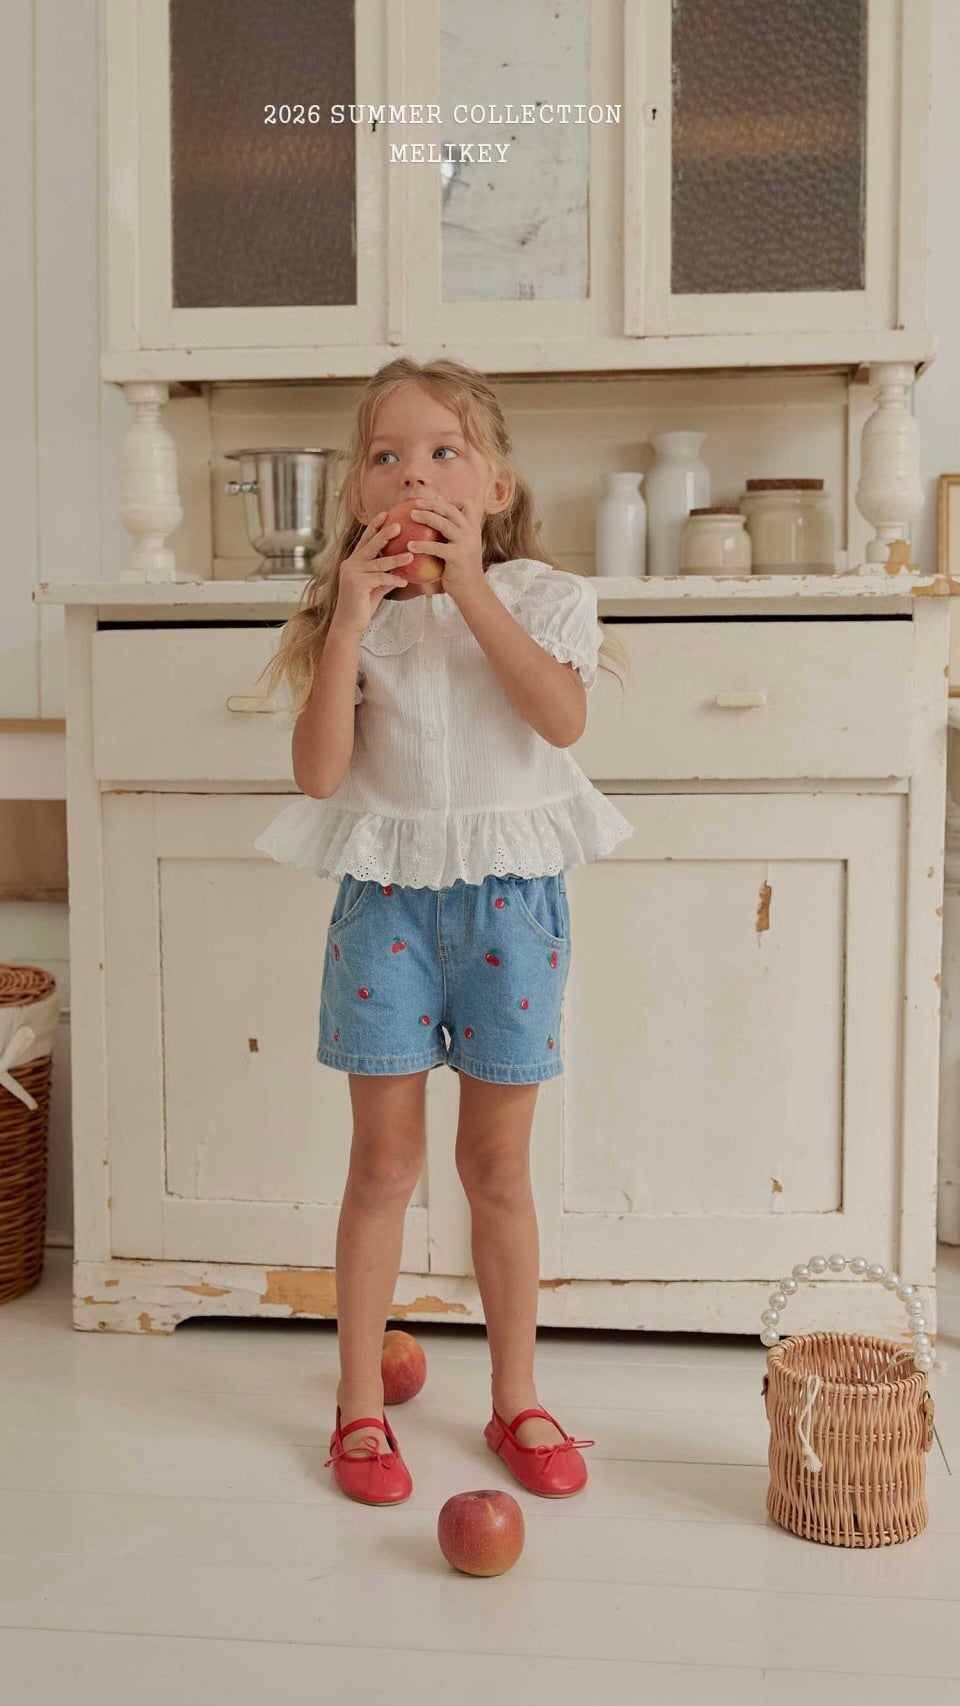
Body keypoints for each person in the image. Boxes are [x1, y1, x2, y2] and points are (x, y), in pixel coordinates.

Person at [253, 356, 633, 1506]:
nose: (413, 473)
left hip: (510, 907)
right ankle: (356, 1405)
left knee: (496, 1166)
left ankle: (515, 1392)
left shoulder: (544, 597)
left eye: (442, 451)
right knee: (382, 1163)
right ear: (358, 495)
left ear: (497, 483)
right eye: (386, 455)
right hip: (387, 907)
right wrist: (347, 620)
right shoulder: (349, 618)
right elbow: (320, 774)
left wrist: (472, 588)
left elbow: (559, 716)